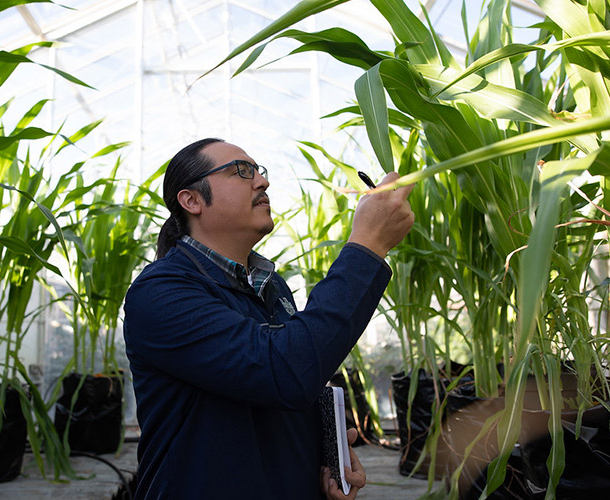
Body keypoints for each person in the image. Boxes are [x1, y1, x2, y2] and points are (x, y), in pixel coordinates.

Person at [123, 138, 414, 499]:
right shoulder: (161, 293)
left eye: (259, 171)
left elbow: (276, 391)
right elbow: (283, 369)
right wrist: (367, 246)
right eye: (241, 171)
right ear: (192, 200)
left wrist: (322, 455)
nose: (262, 182)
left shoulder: (271, 285)